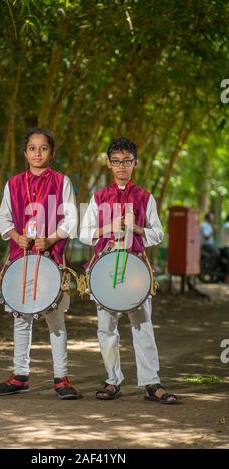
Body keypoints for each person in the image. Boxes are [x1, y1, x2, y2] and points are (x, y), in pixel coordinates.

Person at [79, 137, 177, 404]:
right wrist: (108, 228)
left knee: (142, 325)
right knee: (106, 327)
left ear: (136, 163)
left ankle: (151, 382)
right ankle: (112, 380)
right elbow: (84, 234)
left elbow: (157, 234)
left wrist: (136, 229)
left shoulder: (145, 197)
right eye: (116, 162)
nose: (121, 167)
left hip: (136, 268)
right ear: (109, 164)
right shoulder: (98, 197)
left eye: (127, 161)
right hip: (104, 268)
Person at [0, 127, 80, 399]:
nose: (37, 153)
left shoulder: (61, 182)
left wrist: (51, 239)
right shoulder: (14, 183)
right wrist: (17, 236)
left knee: (55, 320)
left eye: (43, 148)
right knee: (21, 318)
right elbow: (4, 218)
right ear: (25, 152)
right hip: (21, 260)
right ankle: (20, 375)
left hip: (52, 260)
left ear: (51, 152)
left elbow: (71, 219)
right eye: (32, 148)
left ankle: (61, 378)